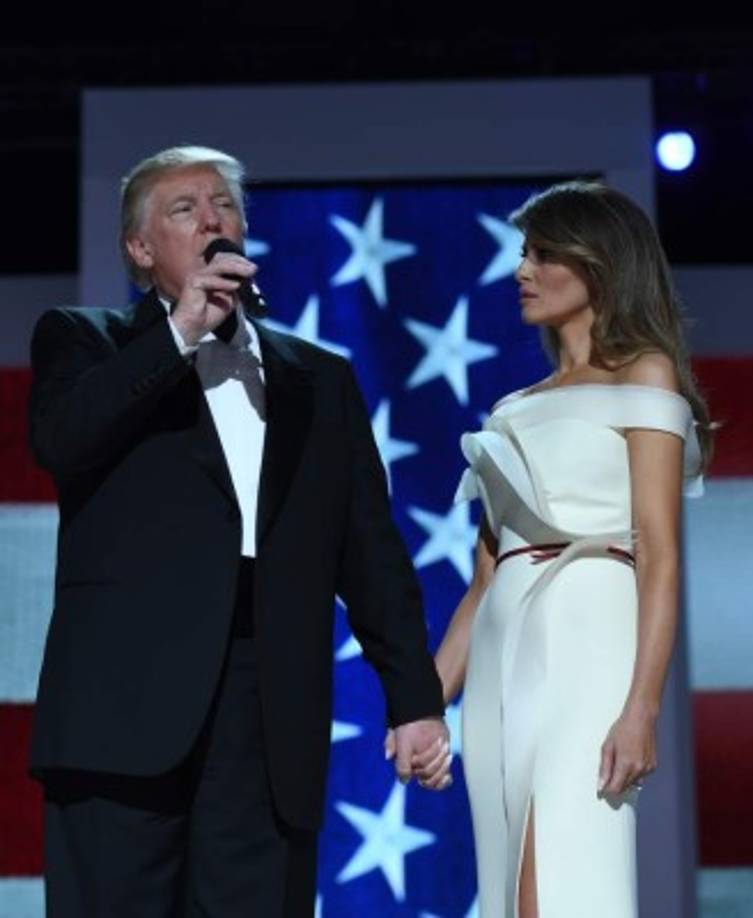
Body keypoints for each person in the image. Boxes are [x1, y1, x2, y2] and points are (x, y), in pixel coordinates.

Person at [28, 144, 451, 917]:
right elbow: (63, 441)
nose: (212, 219)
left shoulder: (319, 377)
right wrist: (181, 330)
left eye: (223, 205)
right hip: (124, 707)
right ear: (139, 248)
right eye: (183, 209)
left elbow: (369, 552)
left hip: (268, 703)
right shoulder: (85, 341)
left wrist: (413, 700)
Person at [434, 181, 712, 917]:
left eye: (543, 253)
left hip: (590, 635)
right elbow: (482, 581)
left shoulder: (645, 376)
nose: (521, 270)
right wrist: (422, 702)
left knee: (562, 865)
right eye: (523, 253)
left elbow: (658, 552)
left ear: (599, 263)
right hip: (501, 647)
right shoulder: (512, 409)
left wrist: (641, 709)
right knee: (505, 878)